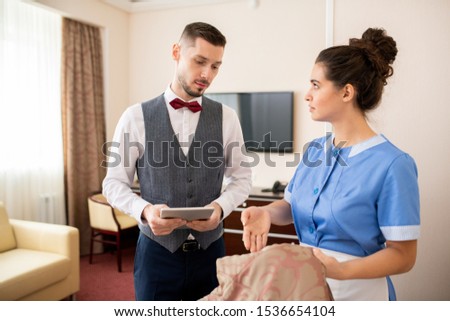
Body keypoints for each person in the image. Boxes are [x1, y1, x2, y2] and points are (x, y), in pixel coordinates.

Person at [241, 27, 420, 301]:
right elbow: (290, 207)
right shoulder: (314, 151)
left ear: (346, 92)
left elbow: (403, 256)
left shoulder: (393, 164)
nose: (307, 95)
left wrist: (343, 271)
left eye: (316, 84)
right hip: (309, 290)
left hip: (361, 294)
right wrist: (266, 212)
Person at [102, 22, 252, 301]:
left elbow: (242, 179)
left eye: (216, 66)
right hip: (156, 255)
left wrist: (220, 209)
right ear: (176, 52)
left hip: (211, 255)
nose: (207, 74)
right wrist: (145, 211)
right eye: (199, 61)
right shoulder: (134, 117)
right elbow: (113, 183)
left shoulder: (228, 118)